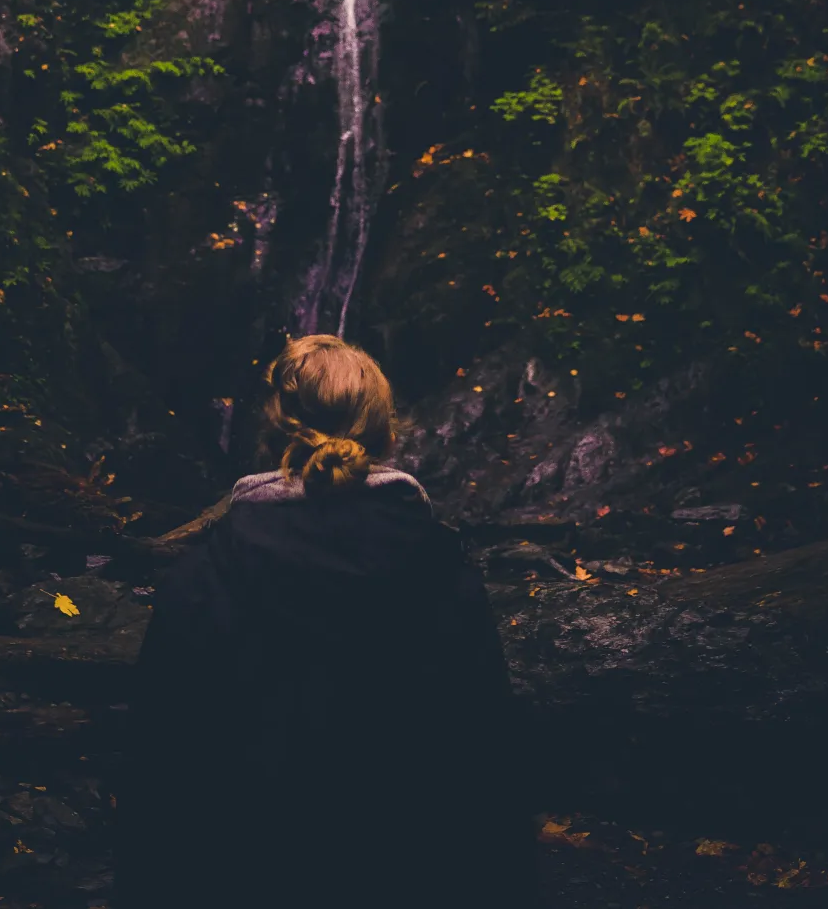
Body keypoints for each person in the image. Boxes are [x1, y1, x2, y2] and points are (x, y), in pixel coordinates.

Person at [129, 333, 536, 904]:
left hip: (248, 869)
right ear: (385, 435)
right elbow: (484, 752)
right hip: (404, 869)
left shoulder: (205, 572)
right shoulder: (437, 564)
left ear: (274, 438)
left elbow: (162, 758)